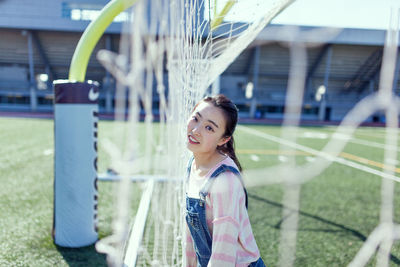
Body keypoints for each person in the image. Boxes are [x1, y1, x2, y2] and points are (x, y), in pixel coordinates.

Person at [185, 94, 265, 267]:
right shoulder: (192, 163)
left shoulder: (225, 181)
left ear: (224, 139)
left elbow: (224, 255)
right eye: (196, 118)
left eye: (209, 128)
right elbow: (191, 232)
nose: (196, 130)